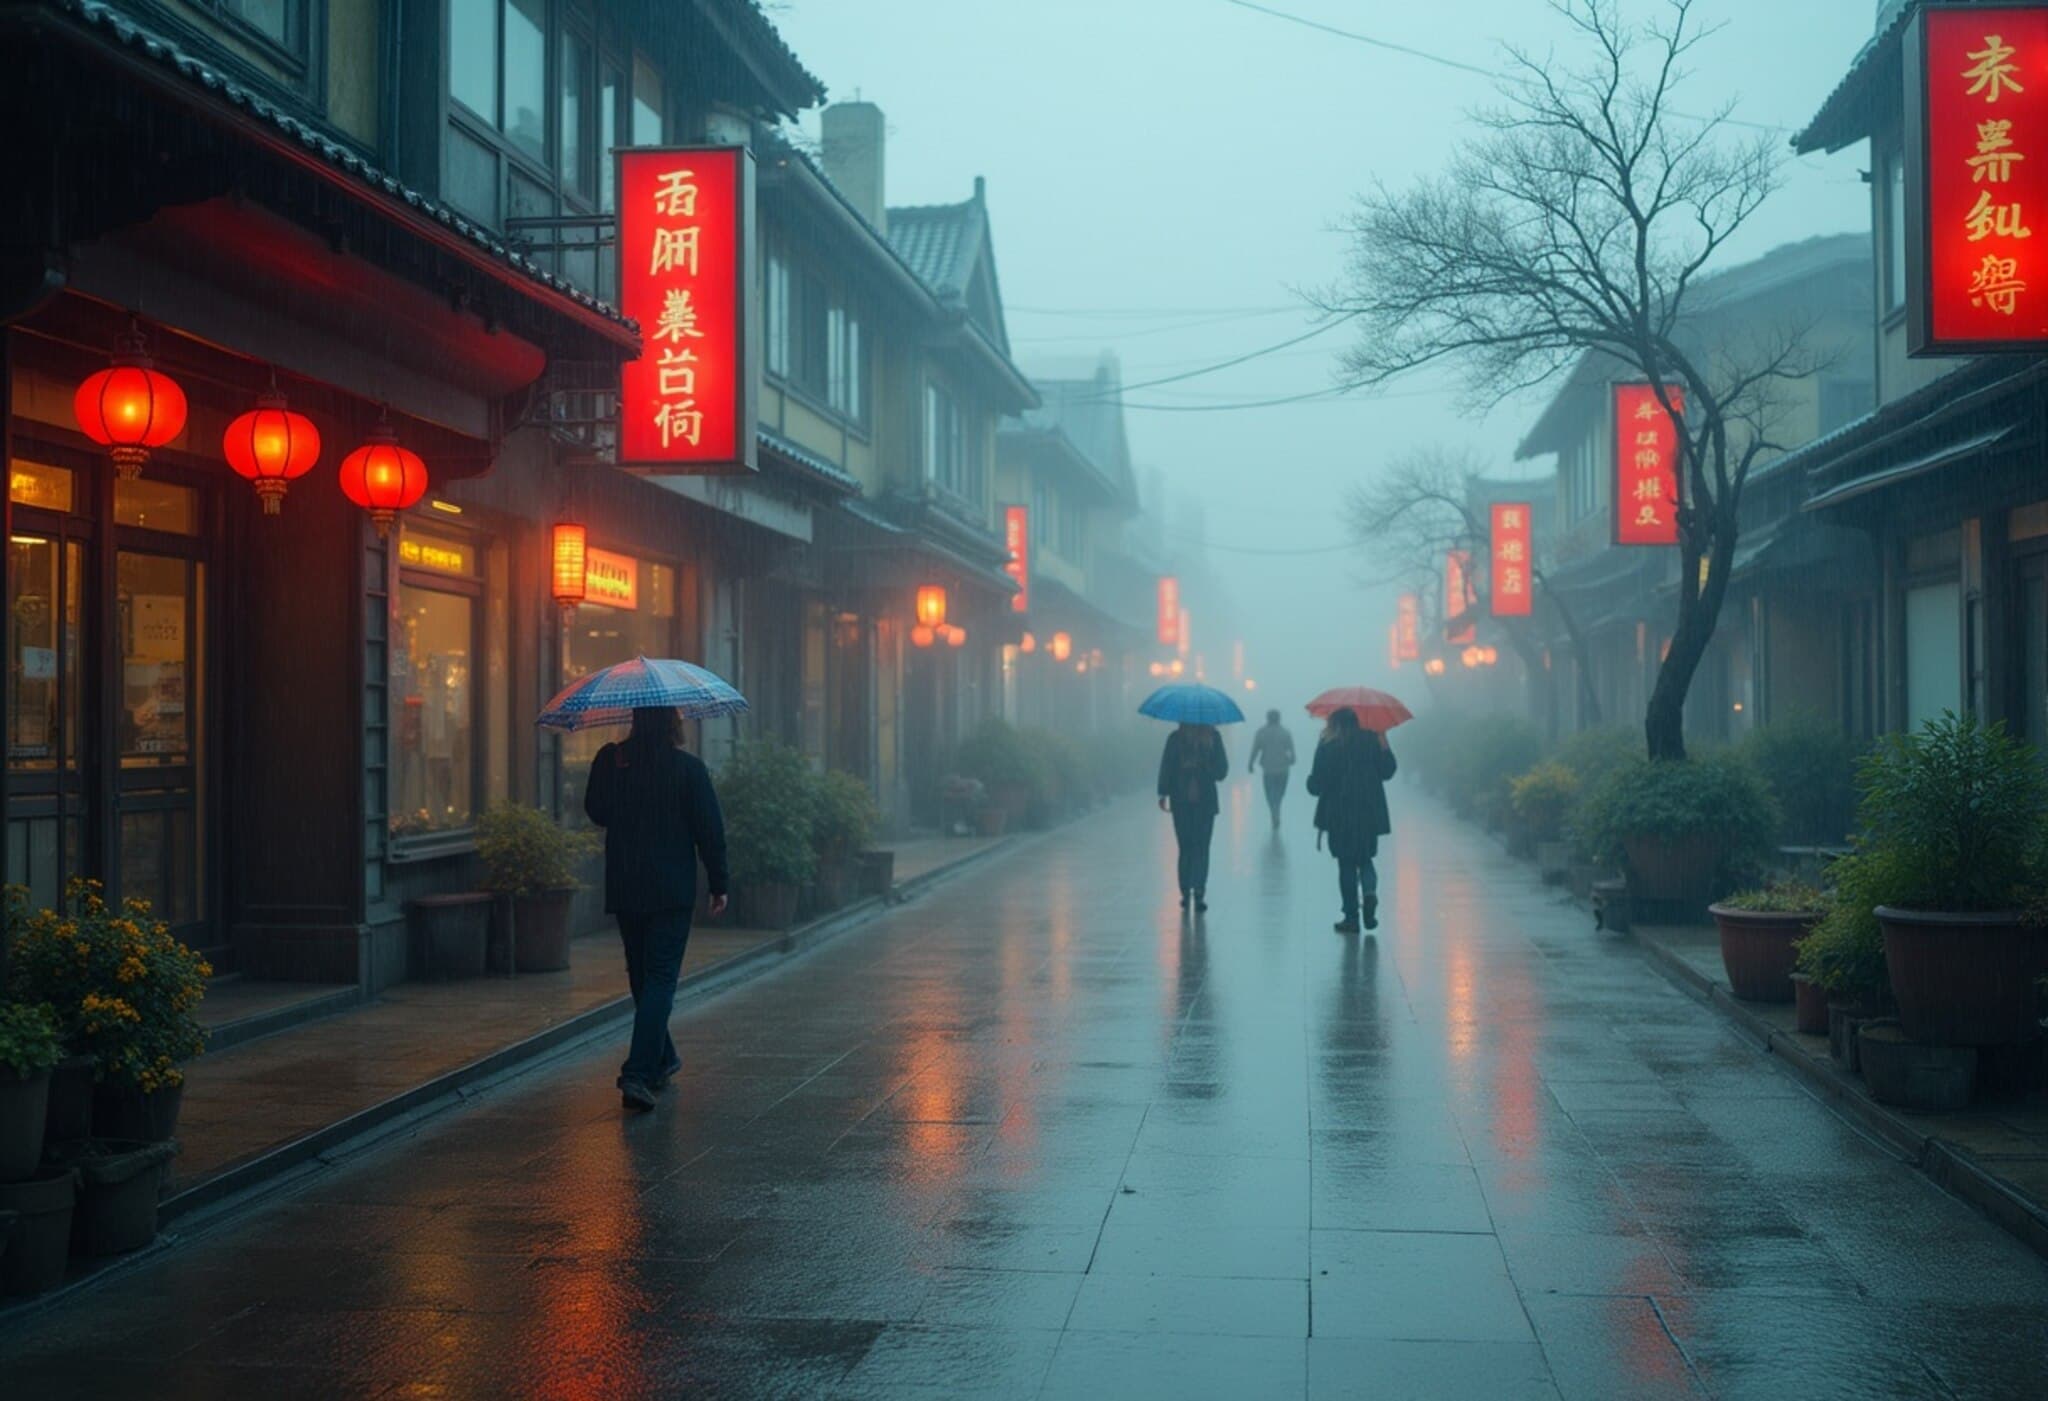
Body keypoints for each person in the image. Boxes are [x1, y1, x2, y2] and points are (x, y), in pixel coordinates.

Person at [583, 705, 729, 1112]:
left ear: (635, 719)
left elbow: (596, 812)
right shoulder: (689, 769)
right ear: (672, 723)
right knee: (661, 978)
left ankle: (662, 1058)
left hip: (627, 885)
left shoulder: (611, 760)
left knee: (643, 976)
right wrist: (719, 884)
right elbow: (710, 831)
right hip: (671, 889)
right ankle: (638, 1072)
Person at [1306, 707, 1398, 934]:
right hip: (1368, 811)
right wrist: (1383, 739)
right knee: (1365, 858)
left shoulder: (1328, 745)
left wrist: (1311, 783)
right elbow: (1388, 771)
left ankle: (1351, 918)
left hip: (1339, 813)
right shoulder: (1371, 740)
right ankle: (1369, 892)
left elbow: (1317, 783)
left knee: (1346, 863)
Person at [1157, 721, 1229, 912]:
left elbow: (1167, 767)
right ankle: (1197, 890)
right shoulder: (1211, 737)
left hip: (1183, 799)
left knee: (1188, 847)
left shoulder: (1177, 739)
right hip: (1198, 801)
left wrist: (1163, 792)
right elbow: (1221, 771)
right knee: (1200, 847)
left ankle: (1188, 890)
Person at [1247, 708, 1297, 830]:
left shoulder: (1261, 732)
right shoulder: (1285, 732)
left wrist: (1250, 763)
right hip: (1283, 769)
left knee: (1269, 794)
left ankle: (1274, 811)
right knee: (1280, 793)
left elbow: (1255, 749)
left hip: (1268, 769)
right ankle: (1277, 810)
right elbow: (1291, 750)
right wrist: (1292, 759)